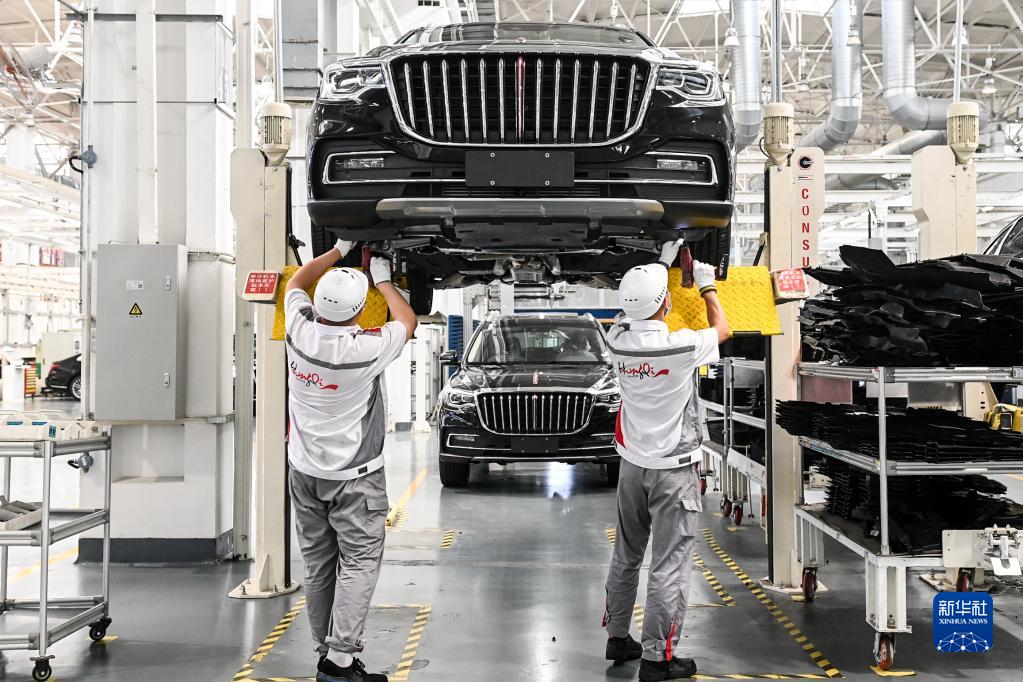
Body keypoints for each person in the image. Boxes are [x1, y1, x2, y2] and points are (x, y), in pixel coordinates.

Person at [283, 239, 418, 682]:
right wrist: (383, 278)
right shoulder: (364, 349)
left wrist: (338, 250)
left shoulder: (299, 331)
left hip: (304, 472)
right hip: (355, 481)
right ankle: (340, 661)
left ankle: (328, 651)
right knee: (359, 562)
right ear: (362, 310)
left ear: (318, 304)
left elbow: (296, 282)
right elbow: (408, 320)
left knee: (318, 563)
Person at [601, 241, 730, 682]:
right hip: (673, 469)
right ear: (667, 303)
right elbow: (722, 329)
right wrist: (708, 287)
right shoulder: (681, 346)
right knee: (669, 562)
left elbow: (632, 313)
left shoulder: (617, 342)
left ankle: (618, 635)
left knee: (627, 553)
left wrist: (659, 263)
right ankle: (658, 658)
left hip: (631, 466)